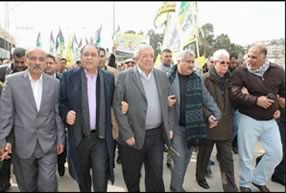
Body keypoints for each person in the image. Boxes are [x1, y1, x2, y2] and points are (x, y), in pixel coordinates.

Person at [0, 47, 65, 192]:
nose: (37, 62)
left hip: (48, 143)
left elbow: (56, 113)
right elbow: (6, 114)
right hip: (23, 143)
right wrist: (2, 140)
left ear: (45, 62)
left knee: (48, 184)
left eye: (41, 59)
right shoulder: (12, 82)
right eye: (33, 59)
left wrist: (60, 138)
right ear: (26, 61)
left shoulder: (54, 84)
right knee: (27, 186)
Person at [113, 44, 173, 192]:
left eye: (151, 56)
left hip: (156, 136)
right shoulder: (124, 76)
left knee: (156, 176)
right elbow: (117, 107)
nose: (148, 59)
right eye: (144, 56)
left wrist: (169, 126)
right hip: (133, 137)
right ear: (136, 58)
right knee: (132, 176)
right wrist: (127, 133)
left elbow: (169, 103)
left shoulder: (161, 76)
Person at [59, 45, 115, 192]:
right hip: (79, 136)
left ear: (99, 58)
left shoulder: (108, 78)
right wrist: (66, 114)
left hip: (100, 137)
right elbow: (62, 101)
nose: (89, 57)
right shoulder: (68, 76)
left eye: (93, 55)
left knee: (101, 176)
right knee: (82, 177)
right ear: (81, 56)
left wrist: (123, 104)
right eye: (86, 54)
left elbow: (115, 100)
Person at [230, 43, 285, 192]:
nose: (249, 59)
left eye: (254, 57)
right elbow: (234, 94)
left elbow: (282, 94)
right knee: (246, 156)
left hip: (270, 121)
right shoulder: (240, 72)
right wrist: (256, 100)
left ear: (264, 58)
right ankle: (245, 184)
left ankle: (258, 179)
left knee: (276, 153)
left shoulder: (278, 71)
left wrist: (278, 108)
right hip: (248, 119)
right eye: (248, 55)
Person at [168, 50, 221, 192]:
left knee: (185, 161)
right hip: (176, 128)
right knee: (179, 161)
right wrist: (165, 102)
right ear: (178, 61)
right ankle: (176, 189)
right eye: (188, 61)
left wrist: (217, 114)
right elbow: (158, 101)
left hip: (193, 128)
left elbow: (207, 98)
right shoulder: (167, 78)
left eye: (192, 62)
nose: (191, 64)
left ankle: (176, 185)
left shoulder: (197, 79)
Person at [196, 49, 238, 192]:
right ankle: (200, 177)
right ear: (213, 62)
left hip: (225, 129)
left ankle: (230, 188)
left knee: (227, 162)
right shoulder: (203, 79)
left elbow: (236, 100)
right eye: (222, 62)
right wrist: (207, 115)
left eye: (227, 63)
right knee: (203, 158)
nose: (225, 66)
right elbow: (197, 102)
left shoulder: (233, 80)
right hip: (209, 127)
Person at [0, 47, 27, 192]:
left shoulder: (30, 73)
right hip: (6, 117)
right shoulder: (3, 71)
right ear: (12, 59)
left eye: (23, 62)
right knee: (5, 150)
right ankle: (4, 182)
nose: (20, 65)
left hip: (24, 118)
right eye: (17, 62)